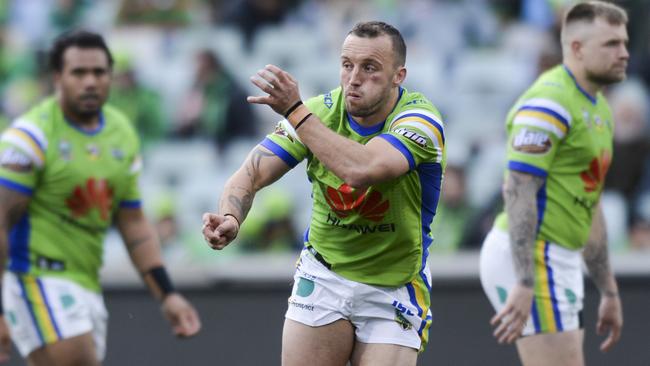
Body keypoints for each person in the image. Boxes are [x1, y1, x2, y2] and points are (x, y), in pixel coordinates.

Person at [203, 21, 446, 366]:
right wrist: (231, 216)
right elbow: (251, 172)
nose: (354, 78)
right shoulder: (319, 112)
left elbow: (362, 170)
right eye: (347, 65)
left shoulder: (420, 121)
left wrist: (296, 112)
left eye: (370, 68)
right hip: (324, 276)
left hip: (394, 284)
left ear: (398, 76)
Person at [0, 30, 201, 365]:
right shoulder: (30, 138)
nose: (90, 81)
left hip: (86, 282)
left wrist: (167, 295)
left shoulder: (120, 132)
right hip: (35, 277)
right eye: (79, 72)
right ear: (57, 78)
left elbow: (133, 222)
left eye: (99, 72)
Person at [479, 2, 627, 365]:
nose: (624, 52)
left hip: (558, 256)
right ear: (576, 47)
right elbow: (517, 193)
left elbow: (588, 202)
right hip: (536, 254)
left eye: (624, 42)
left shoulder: (599, 108)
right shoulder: (550, 101)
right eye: (611, 44)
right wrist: (526, 280)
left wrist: (608, 289)